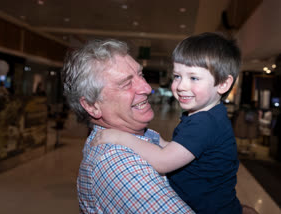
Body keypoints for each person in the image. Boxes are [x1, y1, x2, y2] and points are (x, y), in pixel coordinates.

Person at [93, 32, 243, 213]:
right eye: (177, 76)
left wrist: (119, 137)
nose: (181, 86)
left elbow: (162, 162)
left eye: (193, 78)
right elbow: (179, 149)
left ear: (223, 84)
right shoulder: (207, 116)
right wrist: (158, 141)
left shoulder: (204, 123)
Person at [61, 39, 194, 213]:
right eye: (126, 84)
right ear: (92, 106)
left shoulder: (141, 135)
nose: (146, 88)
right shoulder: (118, 163)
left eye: (141, 75)